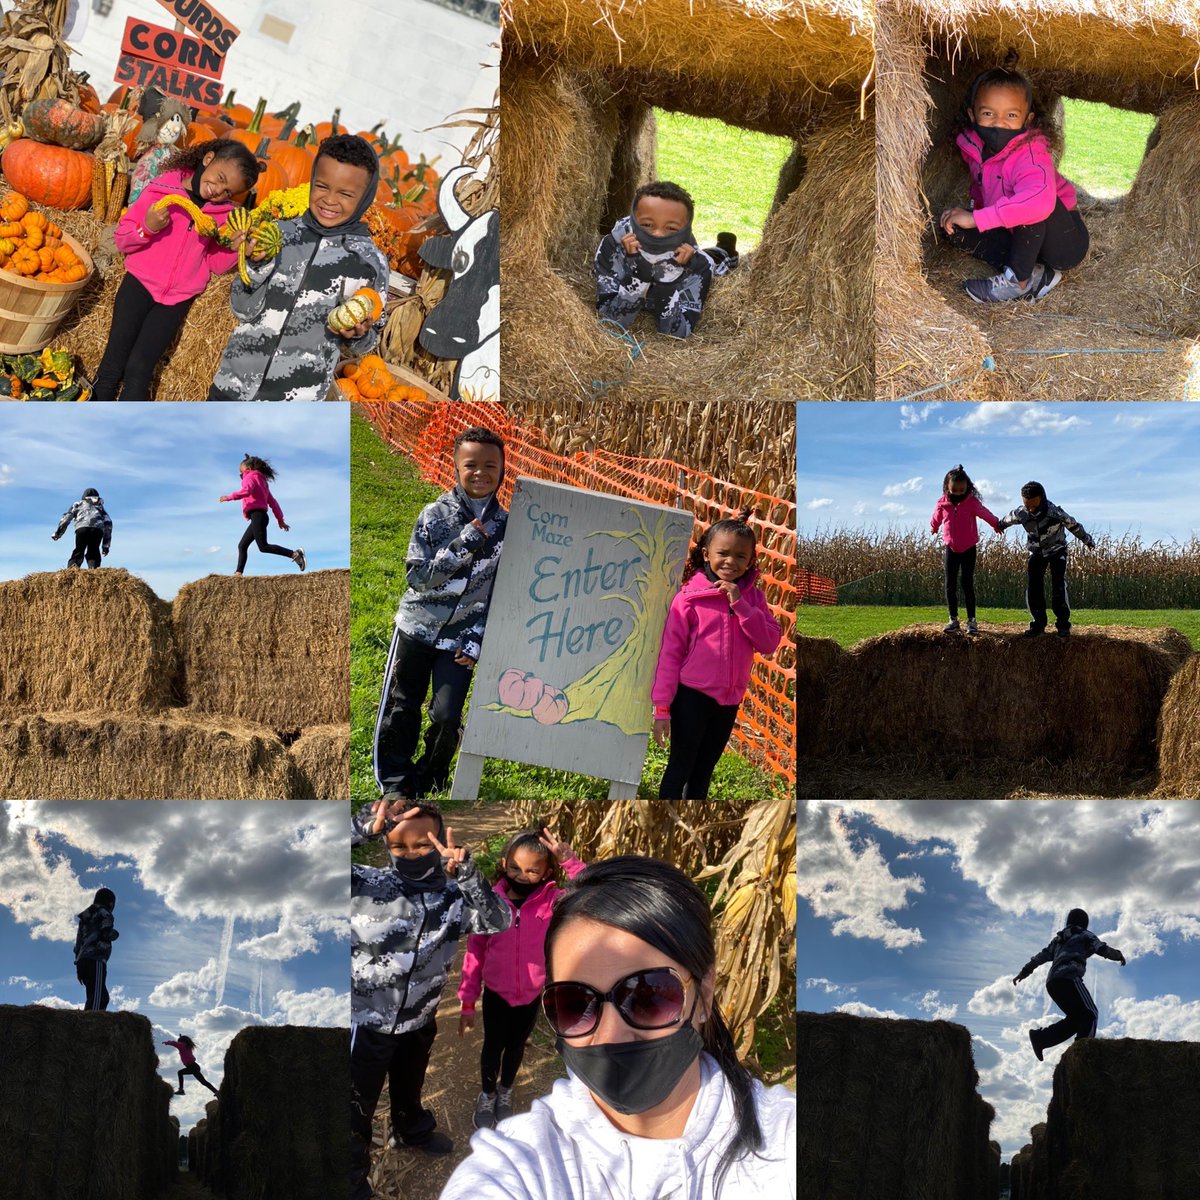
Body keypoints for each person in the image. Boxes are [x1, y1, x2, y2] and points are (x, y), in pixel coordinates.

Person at [439, 856, 796, 1200]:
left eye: (648, 995)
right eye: (574, 1002)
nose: (609, 1035)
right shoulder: (518, 1164)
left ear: (702, 994)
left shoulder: (788, 1139)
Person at [351, 801, 511, 1199]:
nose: (409, 855)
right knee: (355, 1102)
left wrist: (470, 875)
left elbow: (500, 920)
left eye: (422, 845)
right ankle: (351, 1172)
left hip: (419, 1019)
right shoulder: (363, 886)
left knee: (410, 1084)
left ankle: (413, 1130)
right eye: (398, 847)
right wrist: (360, 827)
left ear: (439, 841)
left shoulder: (454, 899)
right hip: (366, 1023)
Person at [372, 427, 508, 799]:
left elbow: (502, 591)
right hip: (416, 630)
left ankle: (430, 775)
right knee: (402, 707)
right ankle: (396, 783)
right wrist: (464, 543)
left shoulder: (508, 527)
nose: (480, 473)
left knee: (447, 715)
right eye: (471, 465)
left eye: (490, 466)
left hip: (460, 640)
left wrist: (477, 639)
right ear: (456, 467)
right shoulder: (435, 516)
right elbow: (417, 577)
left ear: (502, 469)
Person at [207, 133, 388, 401]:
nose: (329, 200)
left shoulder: (369, 264)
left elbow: (369, 340)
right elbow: (240, 307)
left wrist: (356, 336)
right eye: (322, 186)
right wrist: (256, 265)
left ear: (365, 198)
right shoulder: (279, 234)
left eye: (346, 194)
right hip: (234, 387)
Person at [96, 140, 262, 401]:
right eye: (219, 178)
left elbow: (214, 265)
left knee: (140, 369)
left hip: (176, 300)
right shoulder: (162, 189)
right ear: (208, 158)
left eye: (227, 191)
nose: (217, 190)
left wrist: (237, 250)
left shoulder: (223, 215)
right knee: (113, 363)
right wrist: (147, 227)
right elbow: (122, 238)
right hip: (138, 285)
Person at [459, 826, 587, 1130]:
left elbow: (592, 890)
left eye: (532, 870)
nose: (521, 875)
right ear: (504, 863)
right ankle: (488, 1093)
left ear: (546, 872)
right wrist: (466, 1002)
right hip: (496, 995)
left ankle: (505, 1091)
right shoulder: (490, 902)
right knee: (492, 1046)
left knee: (516, 1047)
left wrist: (570, 860)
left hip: (530, 995)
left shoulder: (554, 902)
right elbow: (475, 953)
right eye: (515, 867)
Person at [651, 508, 782, 799]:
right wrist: (662, 707)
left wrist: (741, 606)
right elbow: (669, 656)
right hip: (692, 698)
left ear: (750, 561)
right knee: (679, 768)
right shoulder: (688, 599)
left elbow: (769, 642)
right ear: (707, 553)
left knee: (703, 772)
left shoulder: (753, 599)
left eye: (740, 556)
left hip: (728, 702)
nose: (730, 562)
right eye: (723, 553)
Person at [939, 67, 1089, 304]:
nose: (999, 123)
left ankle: (1016, 282)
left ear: (1027, 119)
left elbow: (1037, 203)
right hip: (1018, 232)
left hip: (1063, 242)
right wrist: (972, 214)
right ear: (972, 114)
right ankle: (1037, 274)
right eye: (988, 113)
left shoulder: (1030, 153)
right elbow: (981, 185)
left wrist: (977, 219)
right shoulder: (973, 146)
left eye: (1011, 116)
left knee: (1030, 205)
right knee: (954, 229)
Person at [593, 181, 738, 339]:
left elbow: (676, 333)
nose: (658, 235)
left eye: (671, 228)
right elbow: (611, 320)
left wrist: (668, 278)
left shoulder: (698, 263)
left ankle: (725, 248)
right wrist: (639, 272)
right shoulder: (612, 247)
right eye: (648, 224)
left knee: (714, 261)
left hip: (698, 258)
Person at [1013, 907, 1126, 1060]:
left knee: (1076, 1019)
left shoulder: (1058, 940)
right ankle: (1084, 1054)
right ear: (1084, 923)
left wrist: (1025, 971)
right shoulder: (1085, 934)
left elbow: (1041, 956)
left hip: (1052, 983)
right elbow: (1101, 948)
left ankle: (1042, 1038)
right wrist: (1118, 955)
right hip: (1069, 977)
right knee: (1091, 1013)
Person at [997, 481, 1095, 637]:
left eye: (1034, 506)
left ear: (1042, 499)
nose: (1031, 510)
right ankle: (1038, 624)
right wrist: (1000, 525)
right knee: (1033, 587)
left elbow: (1074, 525)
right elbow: (1007, 519)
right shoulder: (1022, 513)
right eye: (1027, 506)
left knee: (1058, 586)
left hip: (1057, 551)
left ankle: (1063, 625)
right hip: (1036, 553)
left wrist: (1087, 540)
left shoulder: (1054, 512)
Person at [929, 464, 1001, 634]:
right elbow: (936, 517)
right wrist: (933, 527)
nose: (959, 494)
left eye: (962, 490)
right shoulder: (942, 503)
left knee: (967, 583)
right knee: (950, 584)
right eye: (955, 490)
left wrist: (996, 524)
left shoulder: (971, 503)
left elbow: (985, 513)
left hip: (969, 548)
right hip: (951, 549)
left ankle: (972, 621)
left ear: (967, 488)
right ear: (947, 487)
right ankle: (953, 620)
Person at [218, 454, 306, 576]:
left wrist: (229, 497)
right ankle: (238, 573)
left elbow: (246, 491)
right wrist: (280, 519)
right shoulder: (262, 481)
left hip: (258, 515)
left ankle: (295, 554)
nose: (239, 473)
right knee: (242, 545)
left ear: (247, 468)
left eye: (240, 470)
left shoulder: (249, 477)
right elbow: (273, 502)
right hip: (259, 516)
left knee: (263, 547)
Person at [74, 887, 119, 1012]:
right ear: (110, 903)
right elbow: (106, 933)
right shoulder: (104, 913)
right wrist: (115, 934)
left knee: (95, 995)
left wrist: (77, 963)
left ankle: (90, 1024)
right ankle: (90, 1027)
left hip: (82, 959)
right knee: (99, 998)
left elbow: (78, 943)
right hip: (96, 958)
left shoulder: (85, 918)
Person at [52, 487, 112, 569]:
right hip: (97, 530)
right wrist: (105, 546)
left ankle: (72, 571)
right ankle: (94, 572)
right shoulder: (100, 507)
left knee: (79, 550)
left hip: (82, 528)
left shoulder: (77, 504)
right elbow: (108, 523)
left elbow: (66, 518)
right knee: (93, 551)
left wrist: (58, 533)